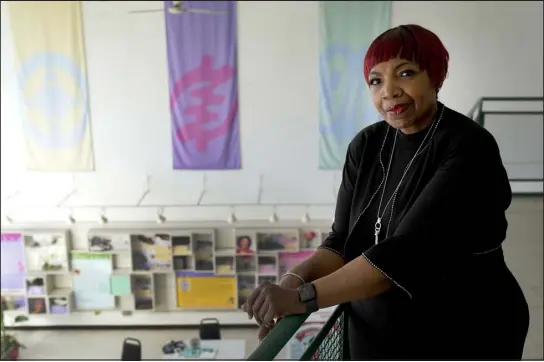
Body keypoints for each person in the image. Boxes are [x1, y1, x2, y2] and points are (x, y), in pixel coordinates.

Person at [242, 24, 530, 360]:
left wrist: (302, 297)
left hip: (463, 329)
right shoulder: (366, 145)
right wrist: (293, 280)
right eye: (376, 81)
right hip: (377, 332)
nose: (389, 91)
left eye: (405, 73)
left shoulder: (468, 146)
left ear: (435, 76)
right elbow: (341, 242)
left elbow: (403, 254)